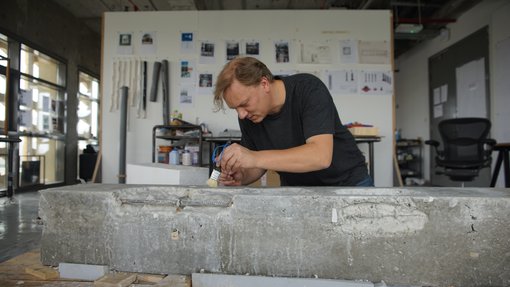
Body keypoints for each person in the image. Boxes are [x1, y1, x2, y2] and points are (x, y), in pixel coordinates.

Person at [213, 56, 373, 187]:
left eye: (244, 103)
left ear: (264, 84)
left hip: (349, 185)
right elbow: (259, 163)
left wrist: (253, 157)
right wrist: (242, 175)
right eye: (235, 108)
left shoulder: (308, 89)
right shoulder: (250, 115)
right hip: (297, 191)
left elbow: (320, 156)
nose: (241, 114)